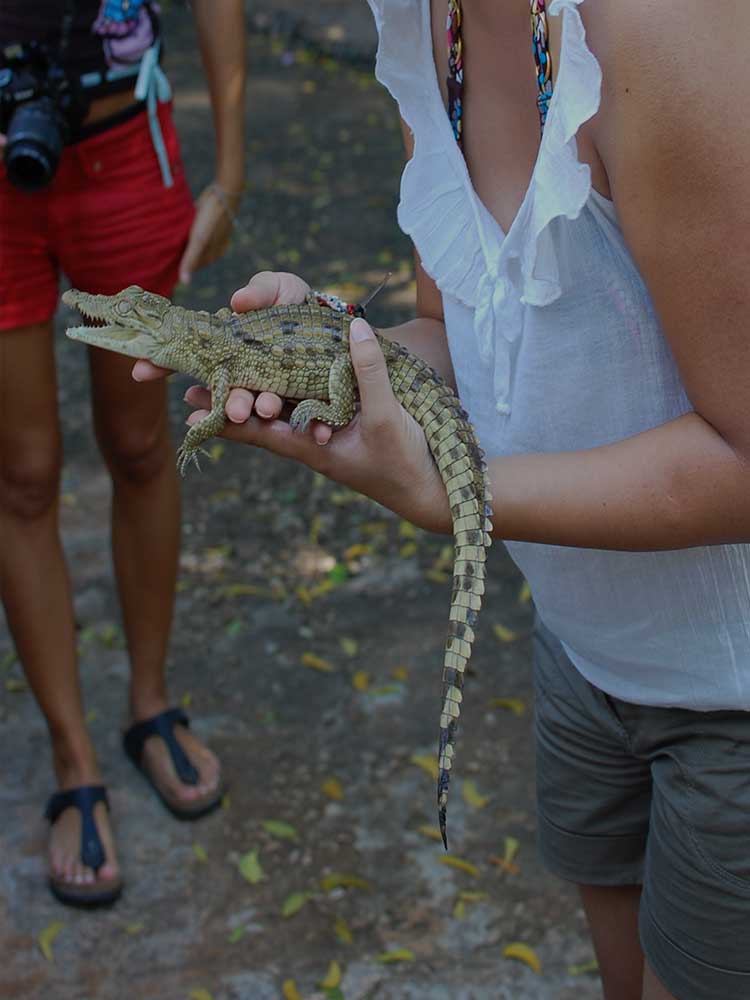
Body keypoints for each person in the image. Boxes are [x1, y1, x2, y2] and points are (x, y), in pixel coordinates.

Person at [134, 0, 750, 997]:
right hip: (586, 647)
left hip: (732, 692)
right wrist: (327, 355)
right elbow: (457, 334)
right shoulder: (439, 27)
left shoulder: (656, 26)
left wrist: (458, 495)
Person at [0, 0, 246, 906]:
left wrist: (229, 170)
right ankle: (74, 757)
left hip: (123, 147)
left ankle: (149, 704)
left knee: (142, 445)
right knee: (22, 477)